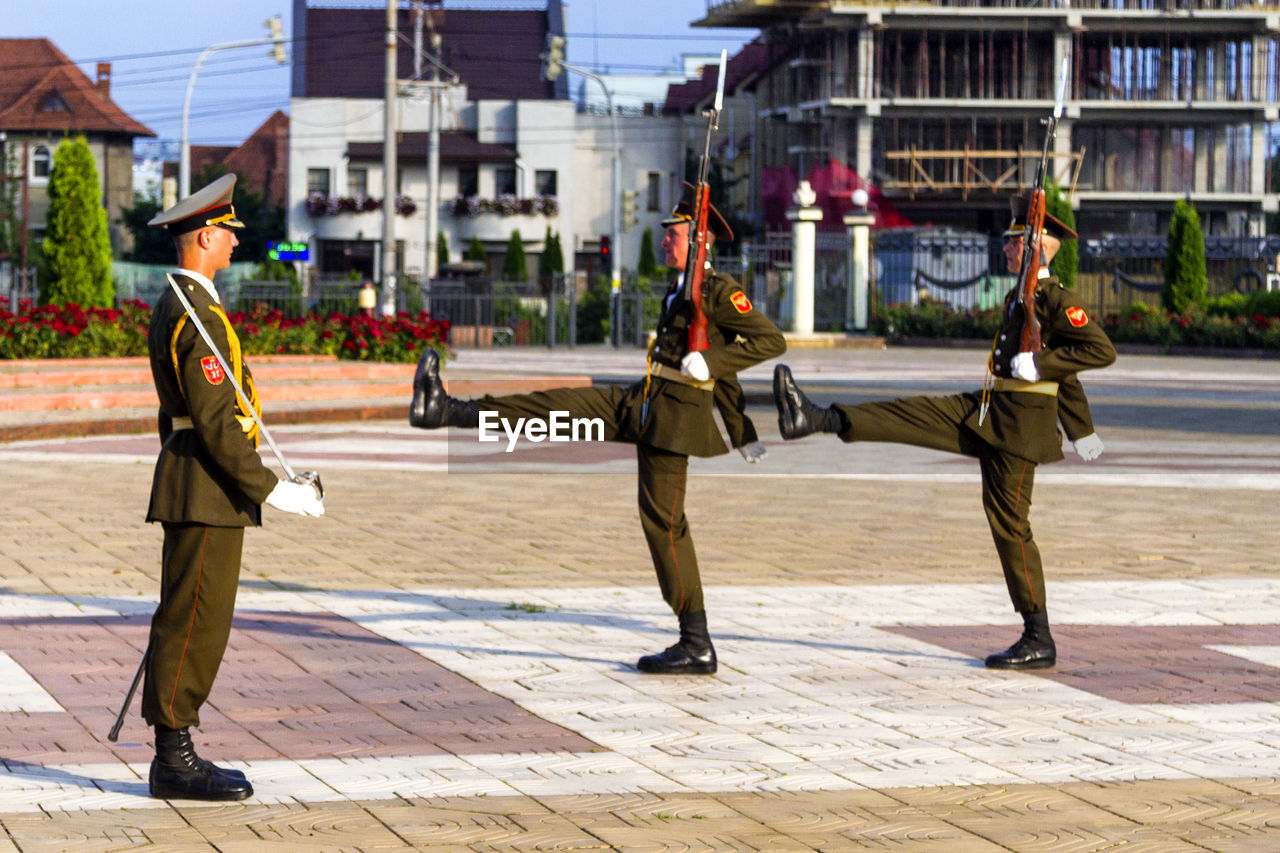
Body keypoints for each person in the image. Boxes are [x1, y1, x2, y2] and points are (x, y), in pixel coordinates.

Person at [409, 186, 786, 673]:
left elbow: (768, 340)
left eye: (672, 235)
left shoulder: (716, 291)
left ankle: (696, 642)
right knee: (557, 407)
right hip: (644, 402)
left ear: (698, 242)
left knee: (665, 524)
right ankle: (446, 410)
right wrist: (742, 428)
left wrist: (713, 372)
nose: (665, 242)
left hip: (673, 422)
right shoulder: (680, 290)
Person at [773, 194, 1115, 670]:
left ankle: (1039, 635)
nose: (1006, 249)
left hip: (1018, 432)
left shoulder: (1054, 299)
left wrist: (1044, 370)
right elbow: (1068, 375)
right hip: (988, 413)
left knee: (1011, 528)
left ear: (1035, 246)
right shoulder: (1021, 296)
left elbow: (1097, 352)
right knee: (912, 413)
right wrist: (1082, 428)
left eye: (1014, 242)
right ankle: (816, 418)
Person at [143, 174, 326, 800]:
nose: (235, 246)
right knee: (194, 620)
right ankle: (173, 758)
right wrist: (273, 490)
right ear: (204, 236)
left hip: (204, 480)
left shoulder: (190, 302)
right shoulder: (193, 309)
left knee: (198, 616)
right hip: (205, 482)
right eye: (227, 235)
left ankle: (179, 747)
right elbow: (218, 420)